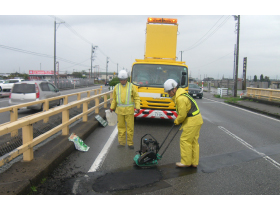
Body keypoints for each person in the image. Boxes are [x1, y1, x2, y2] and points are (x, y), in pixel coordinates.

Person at [163, 79, 203, 168]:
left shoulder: (180, 98)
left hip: (192, 121)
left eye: (169, 91)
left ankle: (186, 162)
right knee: (193, 141)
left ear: (174, 89)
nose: (169, 93)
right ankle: (194, 162)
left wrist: (177, 121)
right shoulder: (183, 94)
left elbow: (182, 115)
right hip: (197, 119)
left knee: (185, 140)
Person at [110, 70, 140, 149]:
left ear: (126, 79)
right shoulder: (116, 87)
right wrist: (112, 107)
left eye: (124, 79)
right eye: (121, 80)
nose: (122, 81)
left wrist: (137, 107)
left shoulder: (131, 86)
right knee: (121, 128)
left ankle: (130, 143)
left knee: (130, 128)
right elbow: (114, 99)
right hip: (120, 111)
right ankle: (122, 143)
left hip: (129, 111)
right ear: (119, 79)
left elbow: (136, 97)